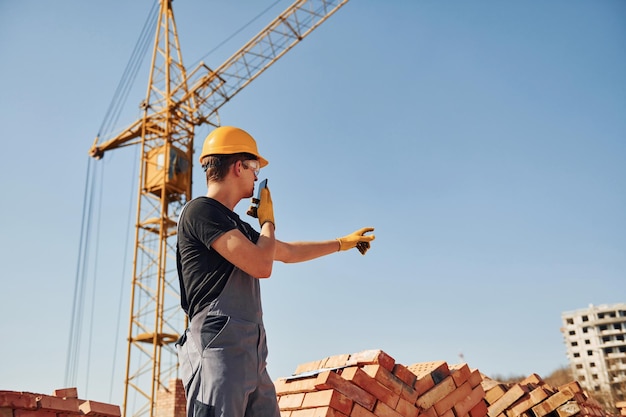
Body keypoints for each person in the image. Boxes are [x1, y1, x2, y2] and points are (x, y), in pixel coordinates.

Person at [175, 126, 375, 417]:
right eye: (254, 166)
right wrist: (268, 222)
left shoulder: (236, 227)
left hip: (251, 355)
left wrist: (342, 243)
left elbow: (288, 252)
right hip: (218, 351)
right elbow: (261, 265)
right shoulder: (201, 212)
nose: (257, 176)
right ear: (238, 165)